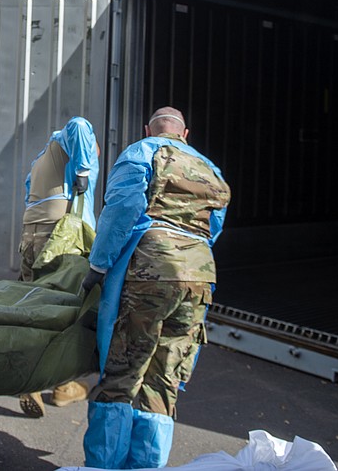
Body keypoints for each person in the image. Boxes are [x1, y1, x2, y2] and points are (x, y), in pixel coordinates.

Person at [80, 106, 231, 469]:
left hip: (152, 268)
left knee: (122, 371)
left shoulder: (143, 150)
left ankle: (103, 466)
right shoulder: (210, 167)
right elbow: (215, 226)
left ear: (148, 128)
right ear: (186, 133)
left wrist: (98, 265)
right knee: (164, 376)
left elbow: (122, 207)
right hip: (200, 275)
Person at [18, 116, 100, 418]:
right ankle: (36, 379)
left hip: (32, 235)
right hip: (58, 237)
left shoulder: (42, 159)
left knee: (32, 305)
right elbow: (80, 124)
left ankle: (64, 384)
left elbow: (28, 191)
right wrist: (83, 171)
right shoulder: (70, 139)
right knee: (62, 310)